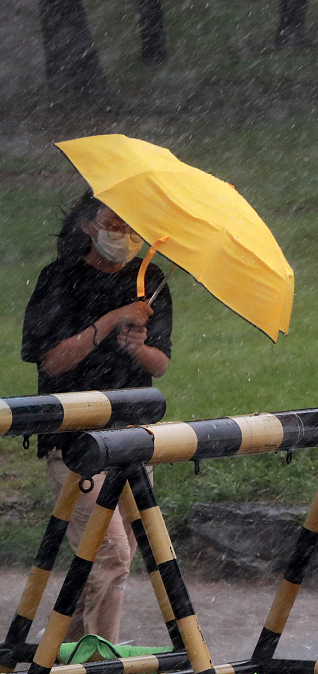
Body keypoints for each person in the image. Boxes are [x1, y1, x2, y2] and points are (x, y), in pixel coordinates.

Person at [22, 191, 172, 643]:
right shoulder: (59, 278)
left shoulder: (152, 280)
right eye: (114, 223)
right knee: (108, 556)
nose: (124, 234)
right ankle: (96, 657)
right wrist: (109, 321)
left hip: (132, 434)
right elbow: (50, 361)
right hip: (76, 439)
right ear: (89, 226)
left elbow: (160, 363)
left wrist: (137, 346)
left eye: (132, 226)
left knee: (115, 555)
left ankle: (69, 650)